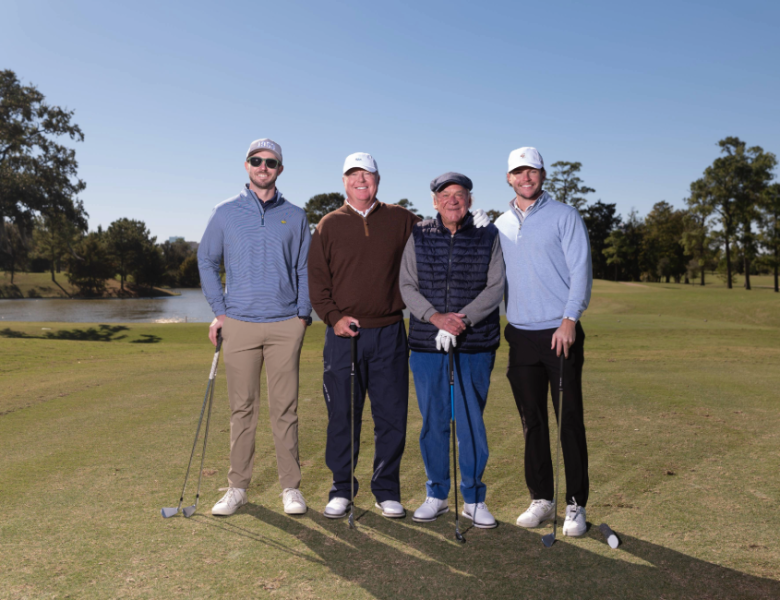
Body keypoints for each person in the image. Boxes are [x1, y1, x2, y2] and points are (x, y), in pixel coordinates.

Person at [197, 138, 312, 517]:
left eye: (271, 162)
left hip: (284, 325)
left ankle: (290, 488)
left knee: (285, 409)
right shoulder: (225, 212)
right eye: (256, 160)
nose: (264, 166)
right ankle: (237, 487)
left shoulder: (295, 215)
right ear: (246, 165)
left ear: (280, 169)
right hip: (240, 325)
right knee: (241, 410)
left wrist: (302, 315)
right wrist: (221, 311)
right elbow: (207, 261)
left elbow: (304, 268)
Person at [307, 152, 420, 519]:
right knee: (343, 415)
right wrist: (333, 317)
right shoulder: (328, 224)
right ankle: (342, 488)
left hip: (389, 332)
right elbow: (318, 283)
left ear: (378, 179)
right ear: (343, 181)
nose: (361, 181)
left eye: (367, 175)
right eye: (353, 175)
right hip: (344, 335)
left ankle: (386, 489)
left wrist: (468, 222)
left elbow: (438, 237)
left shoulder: (400, 218)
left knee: (391, 416)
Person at [494, 146, 593, 537]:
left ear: (542, 174)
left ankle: (575, 504)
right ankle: (541, 498)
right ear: (509, 178)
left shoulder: (565, 216)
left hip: (560, 333)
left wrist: (570, 320)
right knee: (531, 421)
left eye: (531, 171)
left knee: (568, 420)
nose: (526, 177)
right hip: (520, 335)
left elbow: (580, 270)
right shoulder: (499, 224)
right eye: (518, 172)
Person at [399, 172, 505, 529]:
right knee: (433, 421)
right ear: (434, 201)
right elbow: (407, 285)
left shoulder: (489, 234)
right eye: (445, 195)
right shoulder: (418, 234)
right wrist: (435, 318)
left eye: (460, 194)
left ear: (470, 200)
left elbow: (496, 286)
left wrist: (462, 319)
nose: (453, 200)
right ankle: (437, 495)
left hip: (475, 343)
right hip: (428, 344)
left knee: (471, 421)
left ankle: (474, 498)